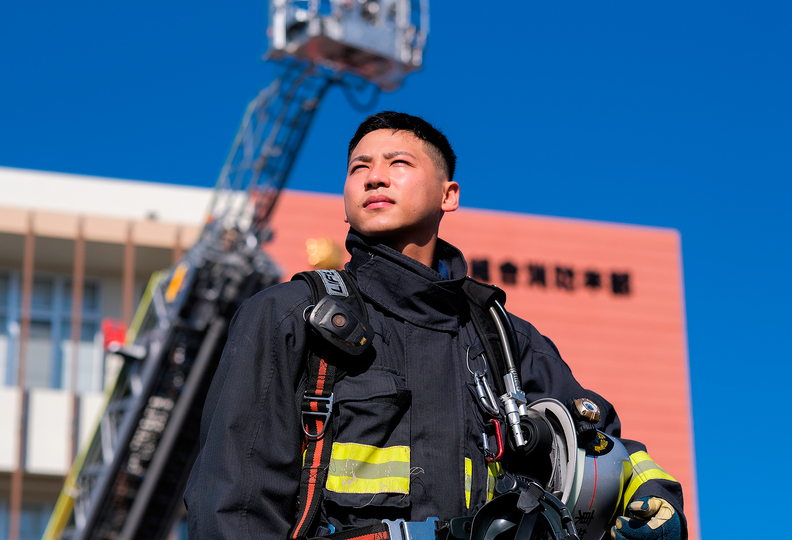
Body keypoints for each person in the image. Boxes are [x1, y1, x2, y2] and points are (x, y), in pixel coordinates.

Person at [184, 111, 687, 540]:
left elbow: (598, 442)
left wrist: (653, 496)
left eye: (398, 163)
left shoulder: (507, 342)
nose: (373, 178)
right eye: (359, 167)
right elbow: (234, 498)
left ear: (449, 195)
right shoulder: (290, 314)